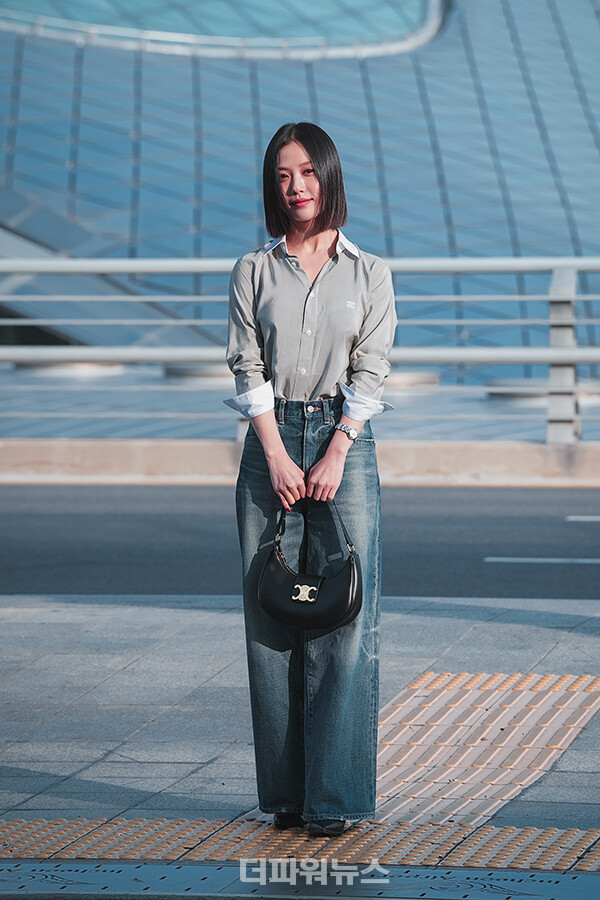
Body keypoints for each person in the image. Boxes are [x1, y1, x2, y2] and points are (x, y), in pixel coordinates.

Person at [224, 122, 397, 837]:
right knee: (271, 618)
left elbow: (372, 367)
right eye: (283, 175)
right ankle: (286, 798)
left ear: (329, 175)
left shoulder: (369, 272)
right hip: (269, 443)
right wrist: (274, 452)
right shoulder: (253, 270)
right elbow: (246, 364)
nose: (296, 187)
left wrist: (335, 450)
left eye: (307, 172)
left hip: (343, 442)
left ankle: (334, 799)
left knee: (345, 620)